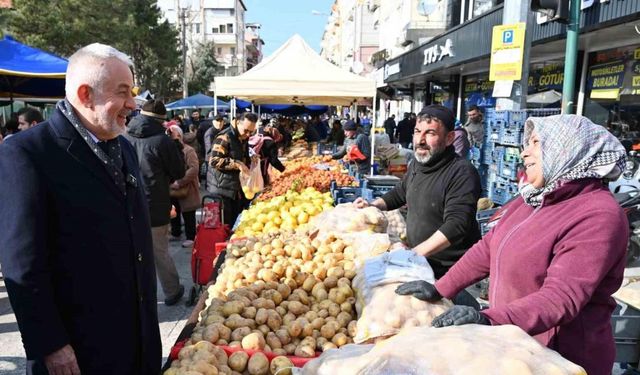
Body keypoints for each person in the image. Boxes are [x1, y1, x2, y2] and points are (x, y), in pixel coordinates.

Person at [396, 115, 627, 375]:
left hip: (561, 358)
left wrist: (489, 319)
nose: (524, 152)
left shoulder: (597, 215)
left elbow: (561, 298)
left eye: (536, 143)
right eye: (526, 143)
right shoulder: (532, 198)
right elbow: (488, 248)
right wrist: (440, 289)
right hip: (514, 345)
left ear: (567, 149)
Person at [0, 43, 161, 374]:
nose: (133, 103)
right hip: (78, 352)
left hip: (136, 341)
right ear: (86, 94)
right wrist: (51, 346)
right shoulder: (27, 154)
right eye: (123, 92)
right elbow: (22, 265)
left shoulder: (123, 148)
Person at [354, 105, 481, 282]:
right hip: (420, 263)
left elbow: (457, 225)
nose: (420, 140)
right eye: (417, 131)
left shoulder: (461, 172)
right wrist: (373, 205)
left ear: (449, 138)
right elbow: (401, 192)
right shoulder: (417, 164)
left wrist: (414, 254)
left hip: (450, 272)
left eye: (430, 133)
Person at [125, 99, 186, 306]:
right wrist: (177, 144)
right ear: (162, 120)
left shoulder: (123, 135)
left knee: (132, 252)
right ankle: (172, 291)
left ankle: (136, 296)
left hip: (128, 203)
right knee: (159, 251)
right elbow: (179, 172)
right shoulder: (163, 141)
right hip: (155, 203)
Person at [207, 112, 257, 227]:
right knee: (224, 225)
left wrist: (250, 158)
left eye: (251, 131)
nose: (248, 134)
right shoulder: (224, 137)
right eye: (246, 130)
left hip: (234, 189)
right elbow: (214, 160)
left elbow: (239, 156)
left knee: (234, 224)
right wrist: (236, 164)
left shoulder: (242, 137)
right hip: (222, 190)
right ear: (238, 122)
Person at [168, 125, 201, 248]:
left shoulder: (188, 150)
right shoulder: (169, 151)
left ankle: (191, 236)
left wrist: (180, 181)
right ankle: (176, 232)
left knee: (188, 213)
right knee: (174, 210)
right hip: (172, 187)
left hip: (187, 188)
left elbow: (194, 168)